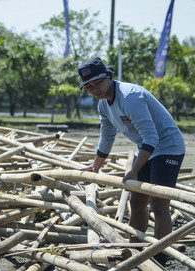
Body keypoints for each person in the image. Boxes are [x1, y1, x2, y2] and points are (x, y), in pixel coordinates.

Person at [78, 57, 185, 244]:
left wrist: (134, 170)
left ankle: (160, 256)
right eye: (89, 86)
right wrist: (95, 167)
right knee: (136, 202)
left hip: (168, 147)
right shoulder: (103, 104)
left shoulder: (130, 97)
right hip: (145, 148)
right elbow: (107, 137)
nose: (94, 89)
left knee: (159, 203)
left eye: (98, 82)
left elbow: (152, 137)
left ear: (109, 77)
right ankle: (136, 249)